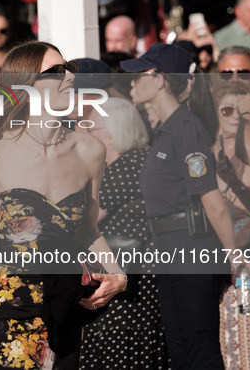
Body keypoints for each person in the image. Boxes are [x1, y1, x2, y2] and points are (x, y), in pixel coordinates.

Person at [0, 41, 127, 369]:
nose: (69, 77)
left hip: (70, 305)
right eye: (55, 71)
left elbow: (88, 231)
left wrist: (119, 275)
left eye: (69, 68)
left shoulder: (90, 150)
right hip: (13, 304)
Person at [120, 43, 248, 369]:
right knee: (181, 347)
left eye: (140, 75)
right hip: (170, 250)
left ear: (160, 79)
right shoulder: (166, 130)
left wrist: (235, 258)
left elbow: (212, 200)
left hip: (191, 249)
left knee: (198, 347)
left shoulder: (186, 128)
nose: (132, 82)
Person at [77, 97, 170, 368]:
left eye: (90, 128)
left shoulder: (129, 165)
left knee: (121, 353)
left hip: (130, 283)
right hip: (130, 277)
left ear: (113, 132)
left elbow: (86, 219)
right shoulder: (141, 160)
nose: (86, 135)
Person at [210, 81, 250, 369]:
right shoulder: (203, 155)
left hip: (249, 267)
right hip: (208, 266)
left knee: (248, 349)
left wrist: (236, 183)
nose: (235, 116)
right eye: (227, 109)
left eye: (241, 110)